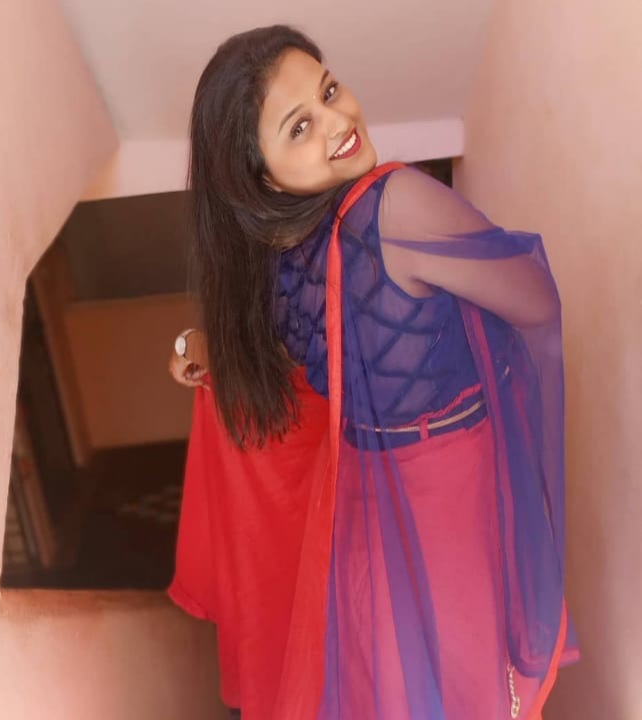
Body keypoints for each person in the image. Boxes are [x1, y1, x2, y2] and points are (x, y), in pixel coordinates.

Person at [167, 25, 578, 720]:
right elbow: (536, 302)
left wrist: (189, 344)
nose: (337, 121)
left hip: (360, 499)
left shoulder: (268, 258)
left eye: (329, 91)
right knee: (474, 679)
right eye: (300, 126)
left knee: (397, 680)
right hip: (450, 491)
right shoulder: (397, 204)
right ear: (261, 176)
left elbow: (269, 354)